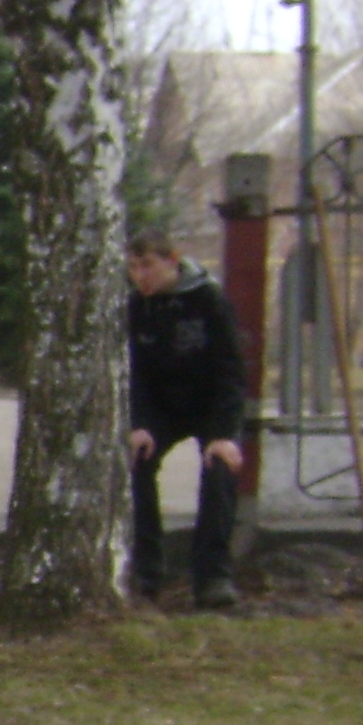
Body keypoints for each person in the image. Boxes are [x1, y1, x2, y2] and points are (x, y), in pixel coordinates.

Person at [124, 228, 249, 610]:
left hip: (210, 405)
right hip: (163, 408)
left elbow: (231, 369)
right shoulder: (137, 308)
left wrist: (225, 433)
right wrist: (140, 424)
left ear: (171, 261)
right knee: (137, 463)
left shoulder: (208, 300)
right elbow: (136, 372)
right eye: (132, 268)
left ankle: (212, 575)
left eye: (147, 265)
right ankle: (145, 573)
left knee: (219, 469)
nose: (140, 275)